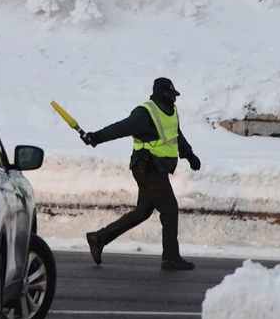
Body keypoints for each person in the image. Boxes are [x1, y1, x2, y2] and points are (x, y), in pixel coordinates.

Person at [81, 77, 202, 271]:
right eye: (171, 94)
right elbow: (120, 128)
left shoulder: (170, 111)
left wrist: (189, 155)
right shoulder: (144, 113)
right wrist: (96, 137)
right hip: (147, 167)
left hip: (156, 167)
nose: (174, 98)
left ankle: (99, 238)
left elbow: (176, 135)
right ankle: (171, 258)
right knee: (169, 209)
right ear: (162, 94)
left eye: (174, 95)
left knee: (142, 212)